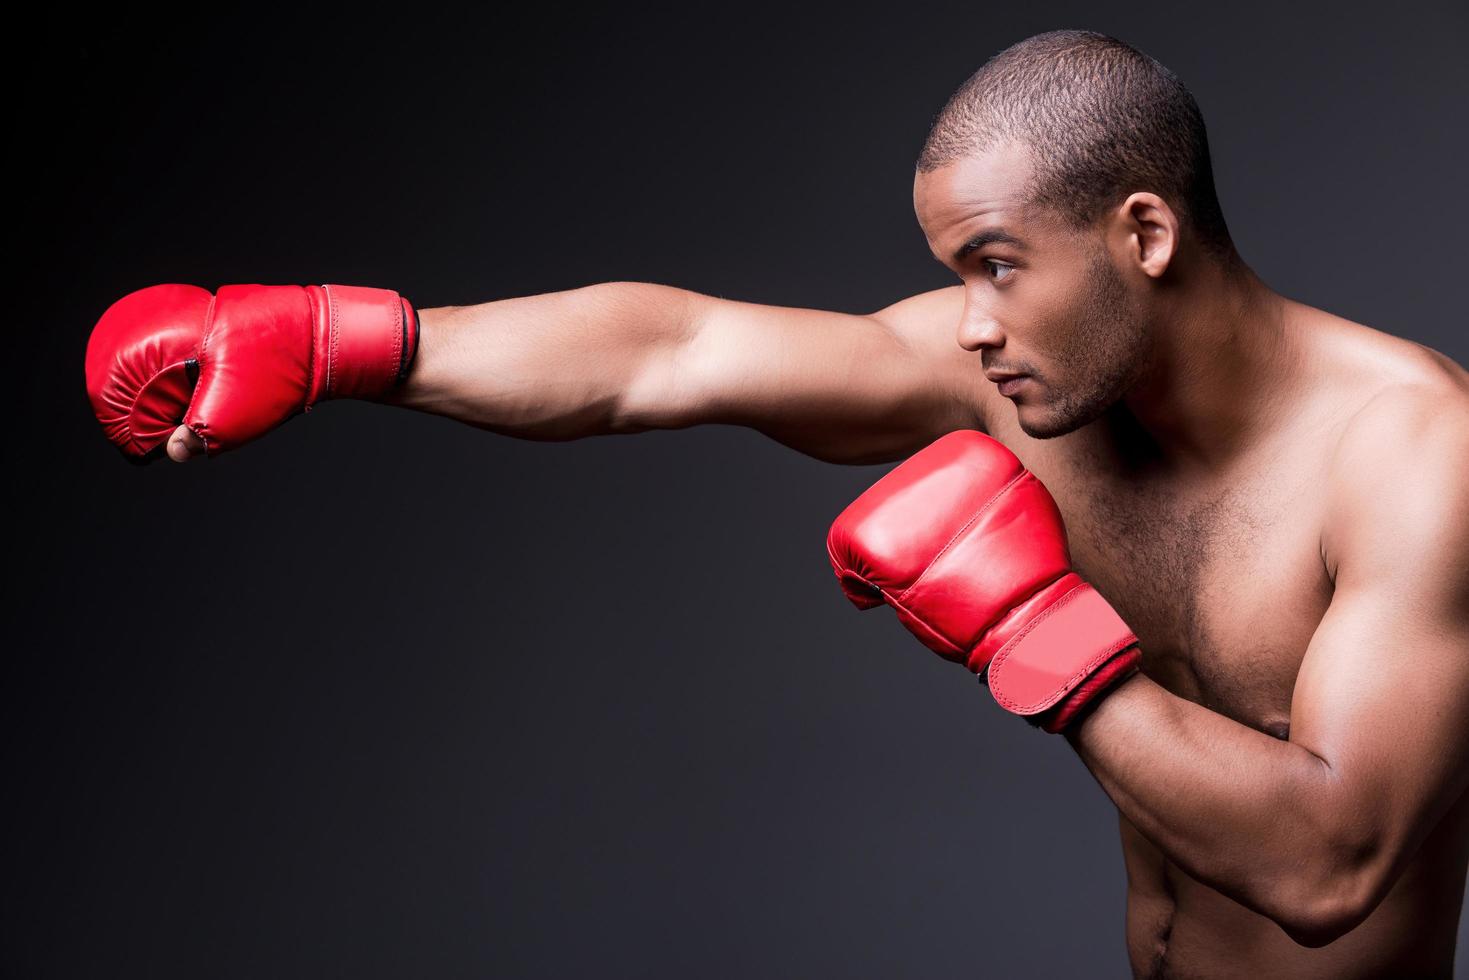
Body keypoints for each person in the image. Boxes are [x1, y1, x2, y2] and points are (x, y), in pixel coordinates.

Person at [83, 29, 1469, 979]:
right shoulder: (1022, 374)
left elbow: (1327, 868)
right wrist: (346, 340)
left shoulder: (1412, 452)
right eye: (955, 276)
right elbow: (668, 351)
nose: (968, 326)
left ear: (1143, 235)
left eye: (996, 266)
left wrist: (1035, 635)